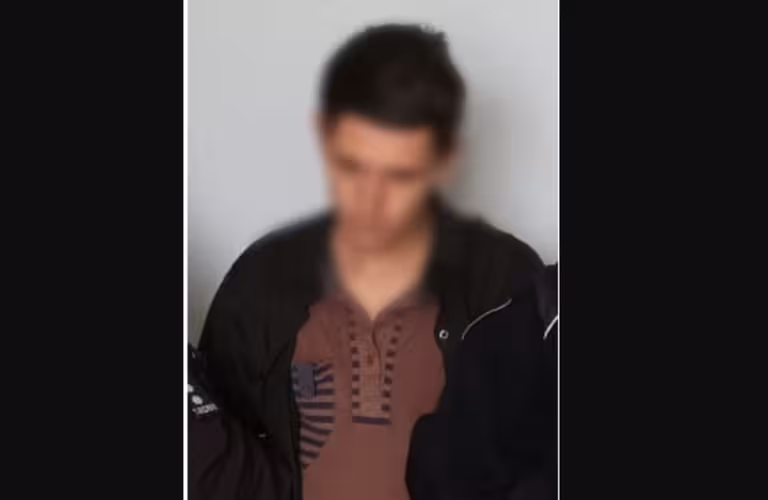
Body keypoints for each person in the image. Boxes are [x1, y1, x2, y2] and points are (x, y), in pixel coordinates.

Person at [197, 23, 553, 500]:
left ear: (445, 156)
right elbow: (218, 461)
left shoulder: (507, 282)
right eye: (355, 166)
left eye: (402, 173)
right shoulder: (259, 283)